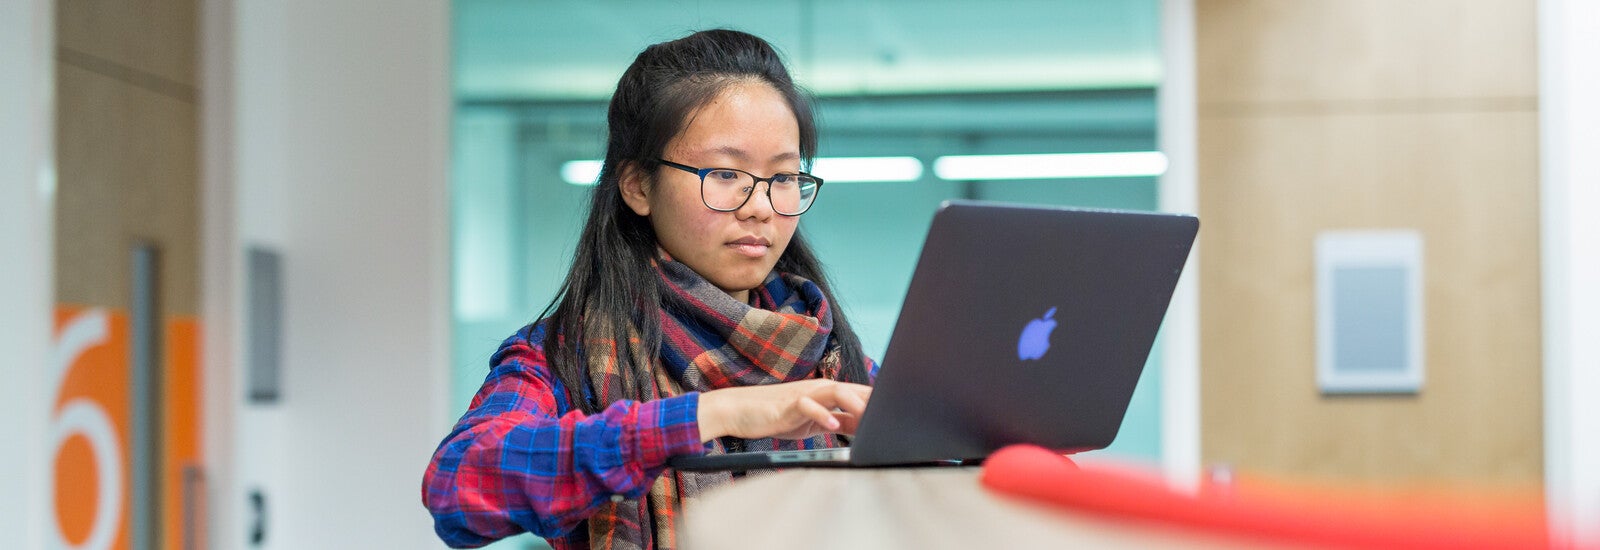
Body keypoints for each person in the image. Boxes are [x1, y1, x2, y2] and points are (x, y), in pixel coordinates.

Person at [422, 29, 878, 550]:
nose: (762, 206)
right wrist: (717, 413)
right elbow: (457, 488)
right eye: (726, 173)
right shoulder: (563, 358)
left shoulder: (829, 352)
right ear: (639, 186)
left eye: (782, 177)